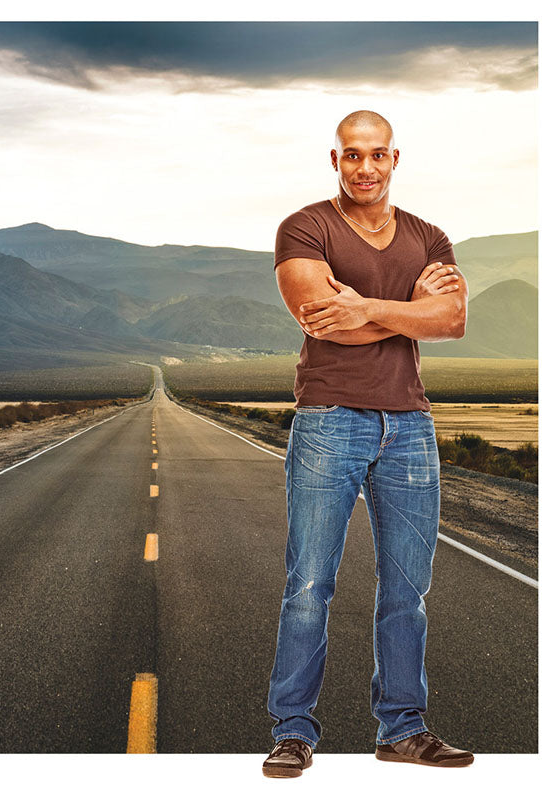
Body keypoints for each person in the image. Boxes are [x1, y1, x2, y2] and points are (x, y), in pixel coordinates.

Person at [263, 110, 474, 778]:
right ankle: (293, 731)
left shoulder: (428, 235)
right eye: (352, 155)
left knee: (407, 590)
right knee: (309, 585)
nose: (365, 167)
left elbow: (454, 319)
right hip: (329, 419)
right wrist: (406, 309)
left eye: (376, 155)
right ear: (335, 161)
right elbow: (322, 320)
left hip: (409, 423)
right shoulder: (305, 228)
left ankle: (403, 730)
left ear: (395, 159)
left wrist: (368, 307)